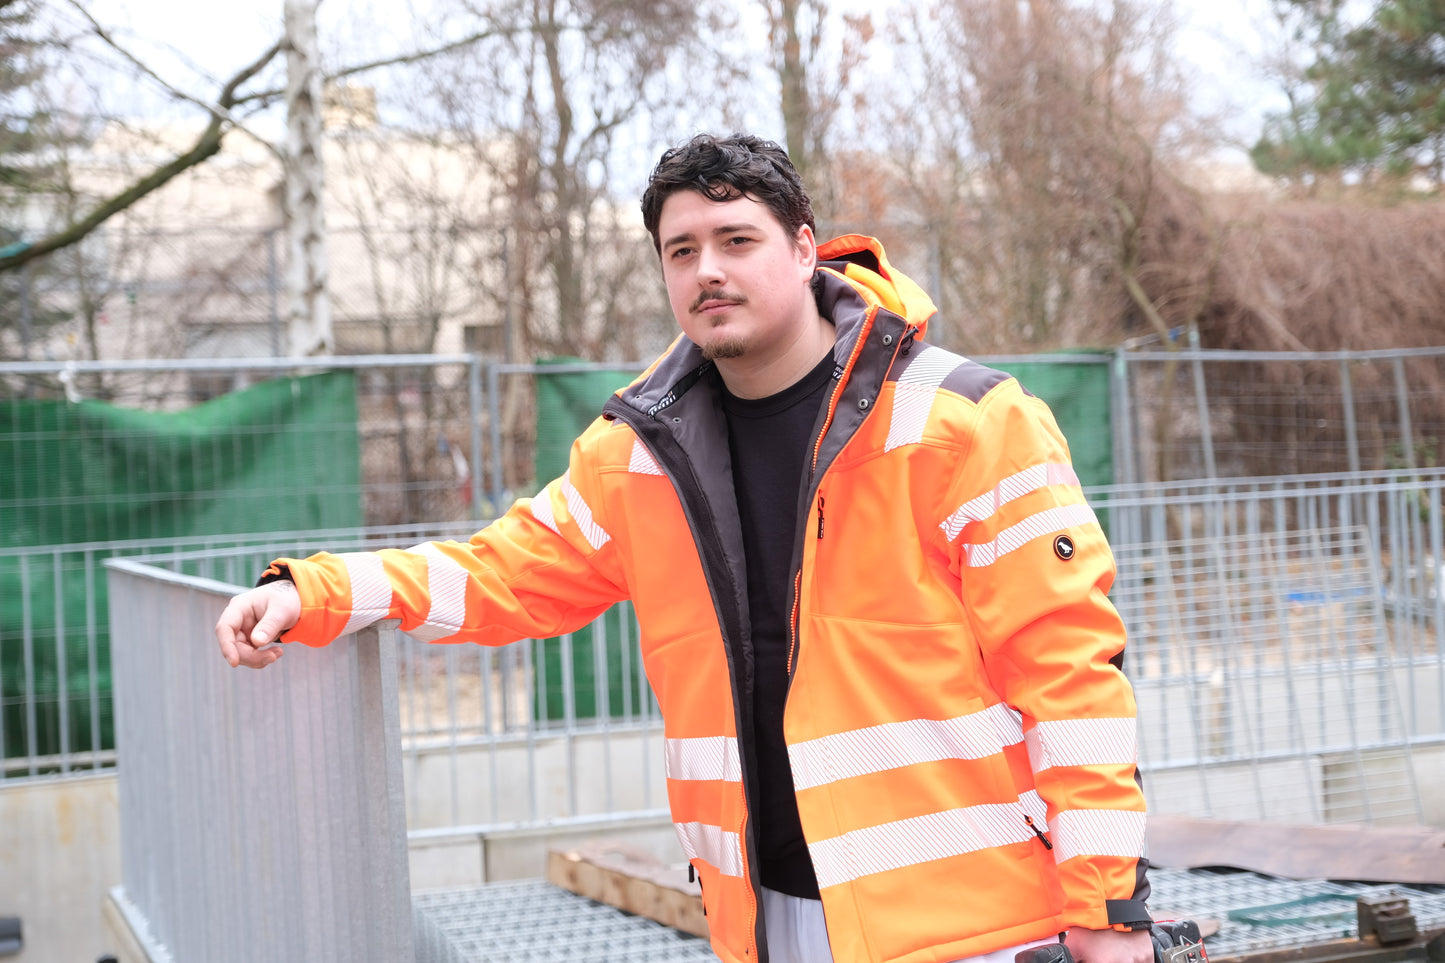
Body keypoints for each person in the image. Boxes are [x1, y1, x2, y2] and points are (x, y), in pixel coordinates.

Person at [216, 133, 1154, 963]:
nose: (707, 269)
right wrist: (323, 593)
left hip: (975, 923)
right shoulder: (637, 454)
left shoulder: (963, 420)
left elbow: (1067, 673)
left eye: (736, 240)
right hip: (769, 920)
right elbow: (506, 571)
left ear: (800, 246)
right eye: (682, 250)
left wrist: (1107, 909)